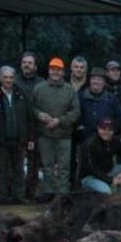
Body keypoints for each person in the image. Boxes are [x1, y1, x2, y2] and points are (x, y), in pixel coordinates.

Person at [32, 57, 80, 202]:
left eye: (58, 70)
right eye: (53, 69)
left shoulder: (70, 90)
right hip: (44, 134)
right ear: (49, 70)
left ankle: (63, 193)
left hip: (64, 135)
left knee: (64, 167)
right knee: (47, 166)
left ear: (63, 72)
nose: (55, 72)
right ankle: (48, 191)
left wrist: (59, 121)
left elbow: (75, 112)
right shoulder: (39, 88)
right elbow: (32, 108)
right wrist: (39, 114)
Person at [0, 66, 35, 204]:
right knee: (1, 170)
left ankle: (19, 196)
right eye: (6, 77)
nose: (8, 80)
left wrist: (30, 138)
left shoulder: (21, 94)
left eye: (11, 77)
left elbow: (29, 117)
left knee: (19, 170)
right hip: (1, 139)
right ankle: (1, 197)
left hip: (19, 138)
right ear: (0, 78)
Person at [17, 51, 44, 200]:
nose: (27, 65)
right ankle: (18, 192)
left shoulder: (41, 83)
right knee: (17, 163)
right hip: (18, 128)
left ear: (35, 66)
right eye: (24, 62)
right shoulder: (14, 82)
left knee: (34, 164)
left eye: (30, 63)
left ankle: (31, 192)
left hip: (37, 128)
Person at [79, 118, 121, 195]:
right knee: (106, 191)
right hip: (90, 177)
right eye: (103, 129)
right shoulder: (90, 144)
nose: (107, 132)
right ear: (98, 129)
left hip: (109, 172)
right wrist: (111, 180)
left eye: (110, 130)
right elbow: (92, 169)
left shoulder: (115, 141)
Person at [79, 68, 121, 137]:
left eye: (99, 79)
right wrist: (80, 128)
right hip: (84, 138)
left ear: (104, 82)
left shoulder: (112, 99)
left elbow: (120, 118)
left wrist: (112, 131)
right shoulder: (80, 97)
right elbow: (75, 113)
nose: (96, 81)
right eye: (93, 78)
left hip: (106, 139)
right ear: (89, 81)